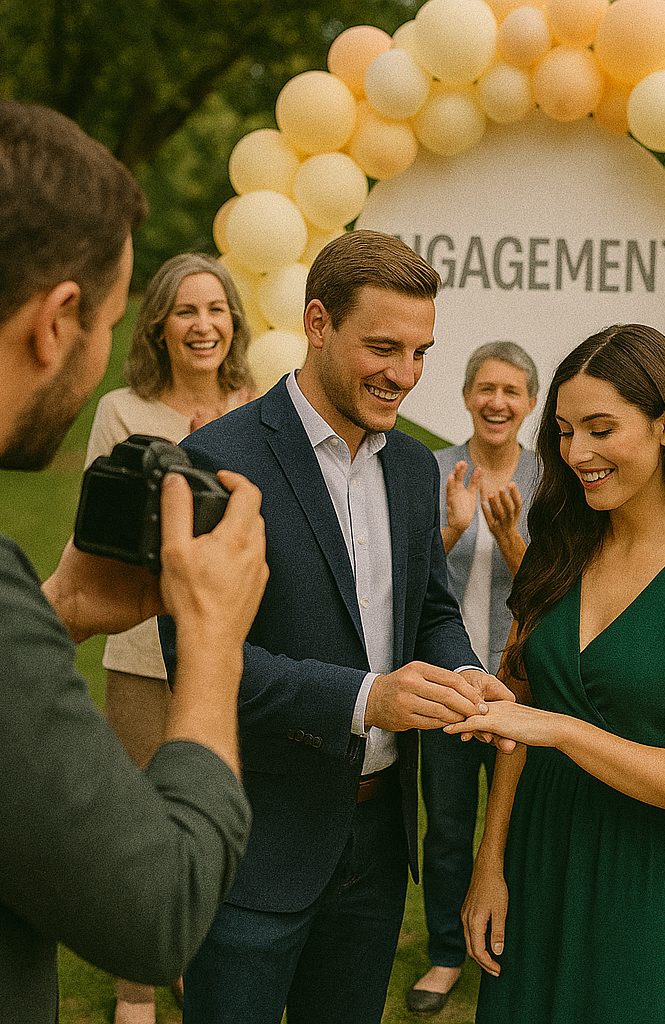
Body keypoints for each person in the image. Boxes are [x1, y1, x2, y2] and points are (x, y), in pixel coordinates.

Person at [0, 97, 269, 1023]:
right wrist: (212, 644)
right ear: (57, 323)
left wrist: (54, 608)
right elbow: (156, 909)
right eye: (112, 322)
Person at [161, 229, 514, 1024]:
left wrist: (460, 674)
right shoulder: (216, 459)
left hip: (380, 849)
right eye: (383, 347)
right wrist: (365, 699)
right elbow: (197, 658)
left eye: (421, 352)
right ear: (317, 322)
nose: (405, 375)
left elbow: (428, 609)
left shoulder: (416, 467)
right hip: (254, 845)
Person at [450, 324, 665, 1023]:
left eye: (602, 429)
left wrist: (563, 731)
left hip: (646, 882)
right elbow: (521, 704)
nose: (577, 454)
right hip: (538, 858)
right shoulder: (556, 550)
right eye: (566, 432)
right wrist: (491, 862)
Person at [84, 252, 259, 1024]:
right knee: (140, 827)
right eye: (187, 310)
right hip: (142, 657)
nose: (204, 325)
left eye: (217, 309)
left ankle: (194, 962)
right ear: (159, 323)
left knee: (217, 818)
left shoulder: (258, 406)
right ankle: (134, 994)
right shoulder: (124, 411)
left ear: (234, 323)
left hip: (231, 656)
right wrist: (194, 461)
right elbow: (105, 537)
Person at [408, 341, 540, 1014]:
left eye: (511, 391)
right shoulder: (428, 472)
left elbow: (560, 593)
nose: (497, 402)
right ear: (465, 397)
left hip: (522, 687)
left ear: (530, 403)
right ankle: (444, 953)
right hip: (448, 687)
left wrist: (515, 539)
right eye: (485, 388)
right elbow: (405, 586)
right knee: (450, 824)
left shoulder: (554, 480)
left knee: (519, 826)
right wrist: (455, 530)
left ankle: (511, 944)